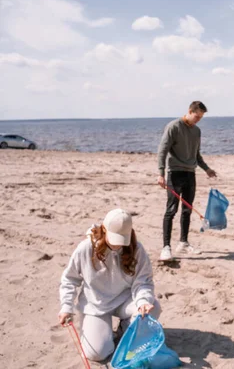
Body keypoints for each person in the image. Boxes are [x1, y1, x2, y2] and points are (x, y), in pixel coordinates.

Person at [58, 208, 161, 362]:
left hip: (124, 301)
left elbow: (143, 282)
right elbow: (70, 279)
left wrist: (143, 301)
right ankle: (98, 329)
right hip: (96, 304)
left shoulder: (137, 249)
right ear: (104, 229)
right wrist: (66, 306)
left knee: (153, 309)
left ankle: (124, 327)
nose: (118, 245)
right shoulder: (86, 248)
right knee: (97, 354)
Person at [157, 101, 217, 261]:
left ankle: (183, 242)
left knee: (187, 210)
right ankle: (166, 247)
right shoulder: (173, 127)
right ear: (190, 111)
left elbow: (196, 155)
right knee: (171, 210)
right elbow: (162, 150)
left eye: (201, 117)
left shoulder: (196, 131)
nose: (198, 120)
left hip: (190, 173)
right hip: (174, 173)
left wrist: (207, 169)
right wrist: (160, 173)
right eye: (197, 116)